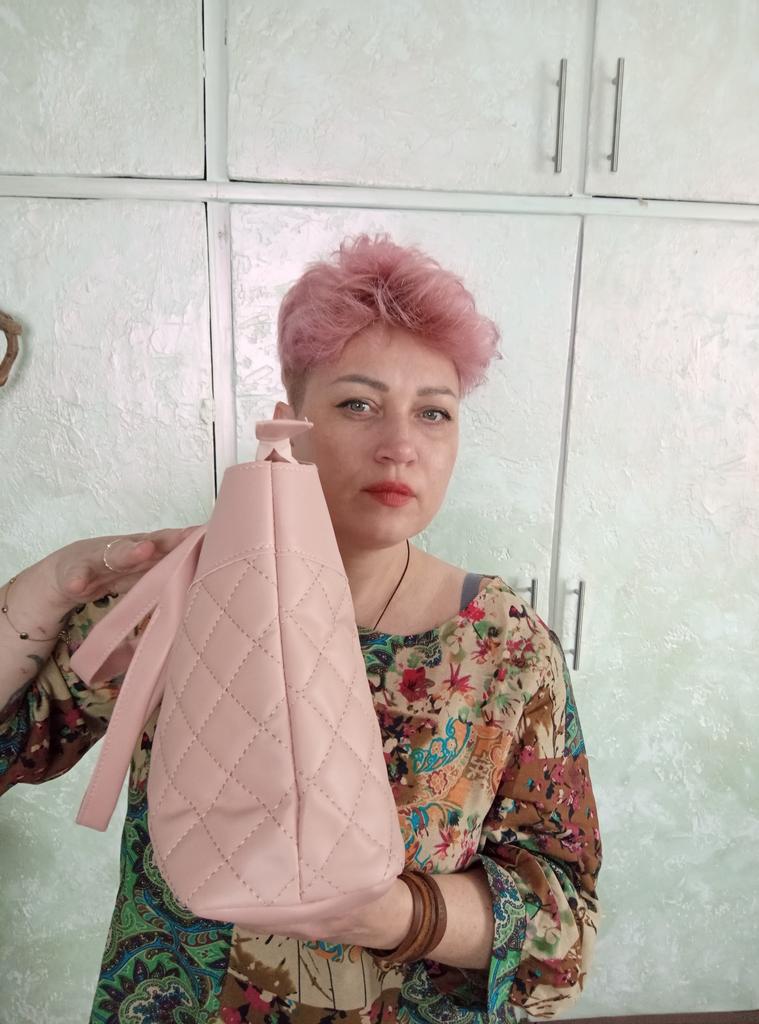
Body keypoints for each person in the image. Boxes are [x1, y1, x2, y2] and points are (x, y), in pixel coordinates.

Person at [0, 233, 602, 1023]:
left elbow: (564, 929)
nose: (399, 447)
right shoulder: (183, 594)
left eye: (433, 413)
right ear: (290, 423)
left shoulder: (506, 649)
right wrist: (47, 585)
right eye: (357, 404)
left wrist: (395, 915)